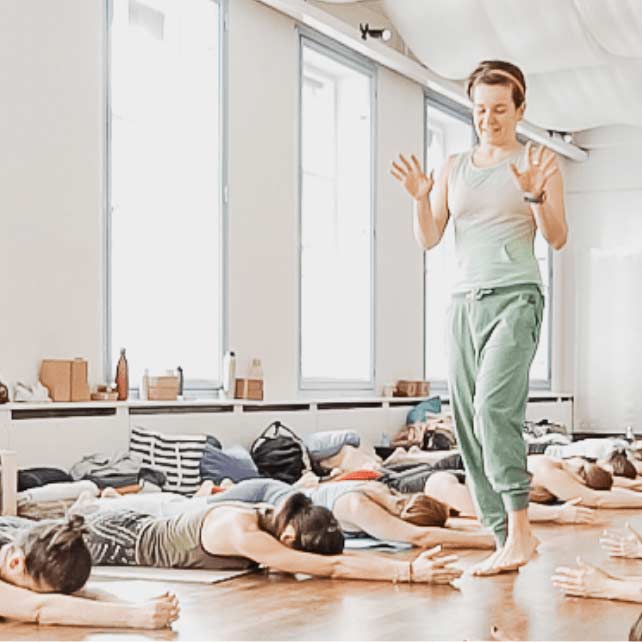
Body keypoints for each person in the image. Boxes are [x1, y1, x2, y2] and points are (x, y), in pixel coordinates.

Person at [392, 59, 568, 575]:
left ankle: (521, 531)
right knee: (468, 421)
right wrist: (422, 200)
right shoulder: (454, 167)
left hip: (516, 296)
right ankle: (503, 539)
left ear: (519, 109)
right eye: (479, 110)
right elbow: (429, 237)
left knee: (494, 408)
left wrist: (534, 194)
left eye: (498, 109)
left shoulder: (541, 161)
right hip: (463, 303)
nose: (488, 119)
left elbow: (557, 237)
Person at [3, 493, 463, 594]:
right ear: (289, 538)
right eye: (299, 554)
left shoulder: (256, 513)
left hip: (135, 518)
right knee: (16, 540)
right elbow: (335, 570)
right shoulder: (245, 534)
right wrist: (406, 570)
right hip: (118, 539)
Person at [73, 478, 495, 550]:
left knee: (186, 508)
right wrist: (489, 540)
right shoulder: (358, 504)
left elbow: (422, 529)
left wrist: (479, 532)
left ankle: (113, 501)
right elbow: (416, 538)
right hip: (272, 496)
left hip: (289, 500)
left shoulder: (383, 493)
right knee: (186, 510)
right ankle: (105, 501)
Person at [0, 514, 179, 628]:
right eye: (31, 589)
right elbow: (39, 608)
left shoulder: (17, 554)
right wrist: (133, 616)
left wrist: (130, 604)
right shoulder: (19, 560)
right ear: (15, 563)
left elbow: (81, 594)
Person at [425, 454, 642, 513]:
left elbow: (609, 488)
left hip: (462, 477)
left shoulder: (569, 467)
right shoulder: (552, 472)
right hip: (453, 478)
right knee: (392, 481)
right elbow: (598, 499)